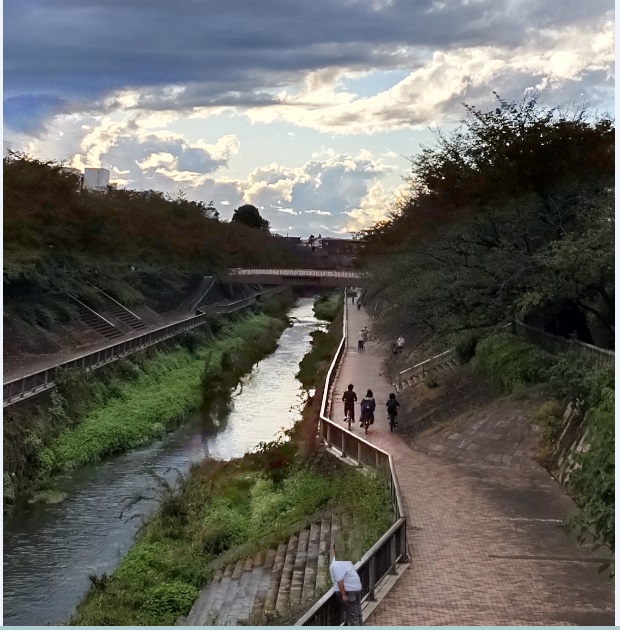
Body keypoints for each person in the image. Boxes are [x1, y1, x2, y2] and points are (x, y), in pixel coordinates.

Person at [330, 544, 364, 626]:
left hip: (354, 591)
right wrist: (344, 595)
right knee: (354, 617)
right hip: (348, 592)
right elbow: (339, 581)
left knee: (358, 615)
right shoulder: (337, 564)